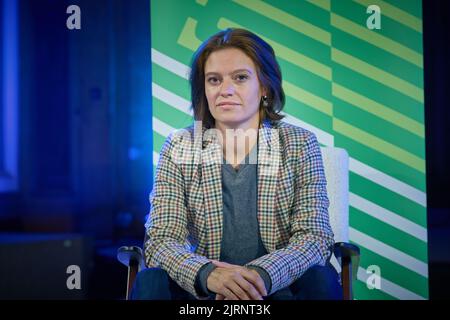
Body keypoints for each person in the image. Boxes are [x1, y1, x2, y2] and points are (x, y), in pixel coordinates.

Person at [132, 28, 342, 300]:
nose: (225, 90)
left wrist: (257, 276)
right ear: (204, 89)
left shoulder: (299, 143)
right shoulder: (179, 144)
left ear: (264, 87)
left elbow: (314, 237)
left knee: (321, 280)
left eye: (240, 78)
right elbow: (161, 240)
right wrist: (209, 275)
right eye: (214, 80)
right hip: (205, 293)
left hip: (274, 289)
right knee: (150, 281)